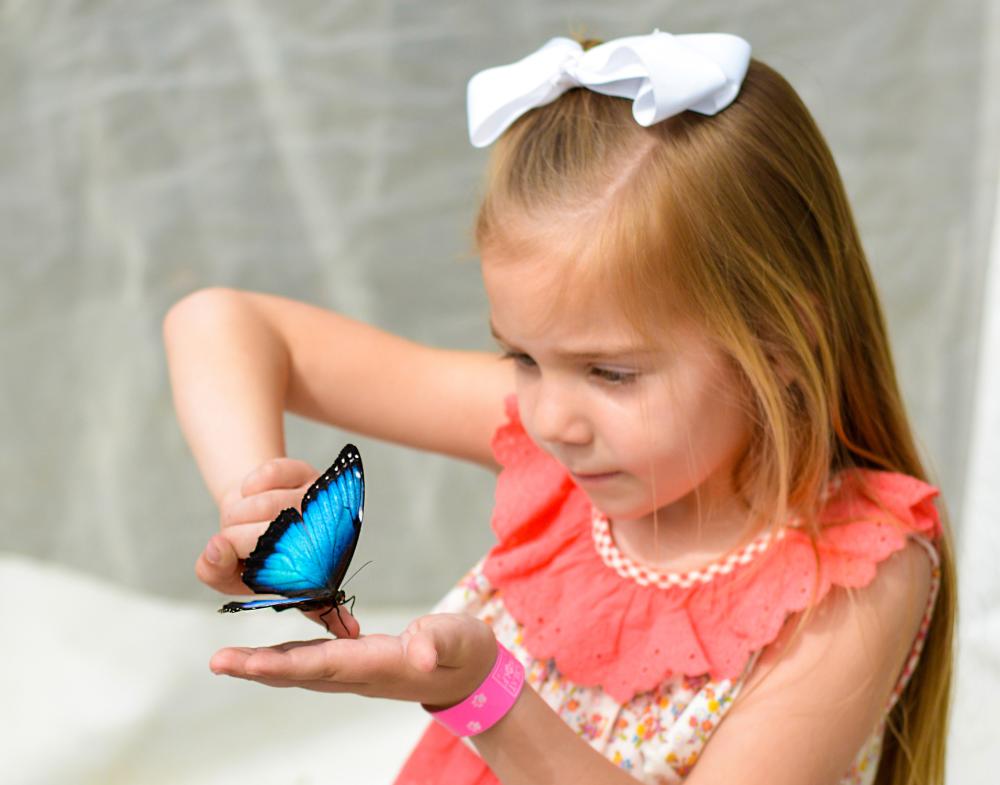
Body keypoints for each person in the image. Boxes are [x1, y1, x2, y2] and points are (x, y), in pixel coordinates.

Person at [163, 30, 955, 785]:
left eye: (611, 372)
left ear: (779, 340)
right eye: (523, 357)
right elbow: (220, 323)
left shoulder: (855, 573)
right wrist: (257, 502)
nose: (551, 419)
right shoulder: (560, 442)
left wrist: (486, 694)